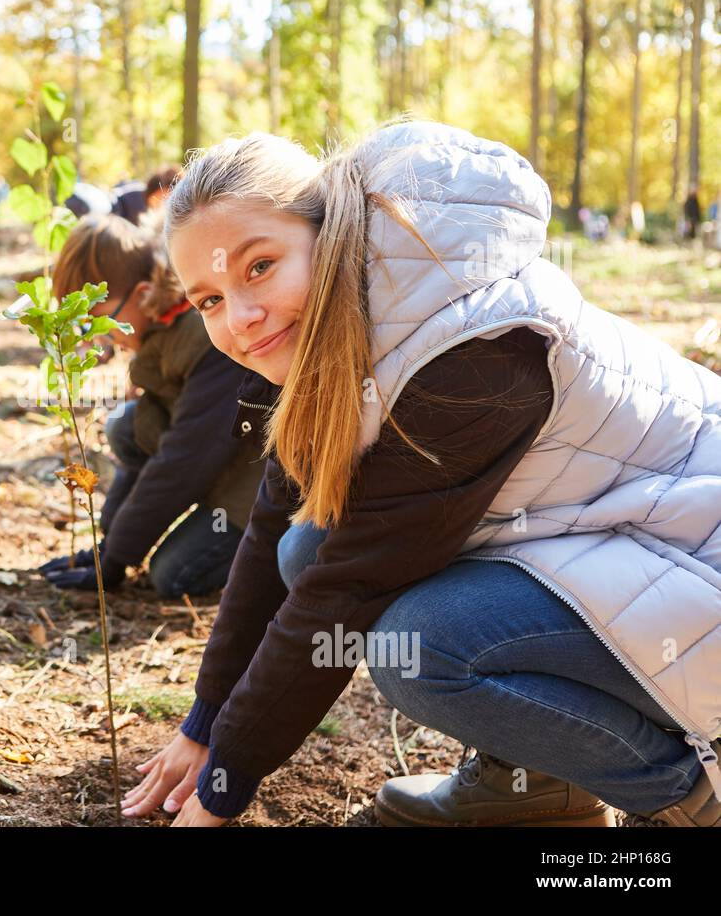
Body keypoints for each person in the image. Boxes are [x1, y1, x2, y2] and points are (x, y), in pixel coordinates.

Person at [122, 120, 721, 827]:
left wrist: (223, 786)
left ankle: (688, 797)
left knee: (423, 646)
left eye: (259, 266)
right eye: (209, 301)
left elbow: (349, 589)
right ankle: (539, 788)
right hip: (613, 543)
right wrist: (204, 722)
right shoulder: (335, 329)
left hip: (694, 563)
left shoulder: (468, 348)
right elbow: (270, 529)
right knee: (302, 545)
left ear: (332, 230)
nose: (242, 319)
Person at [36, 214, 266, 601]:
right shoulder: (160, 323)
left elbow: (184, 460)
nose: (95, 334)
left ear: (143, 293)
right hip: (219, 457)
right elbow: (153, 436)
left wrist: (115, 560)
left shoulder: (205, 335)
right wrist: (109, 545)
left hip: (258, 481)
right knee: (126, 426)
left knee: (172, 576)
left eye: (98, 320)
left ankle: (265, 549)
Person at [109, 165, 182, 226]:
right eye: (165, 196)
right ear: (156, 189)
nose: (164, 202)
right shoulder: (128, 198)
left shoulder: (155, 211)